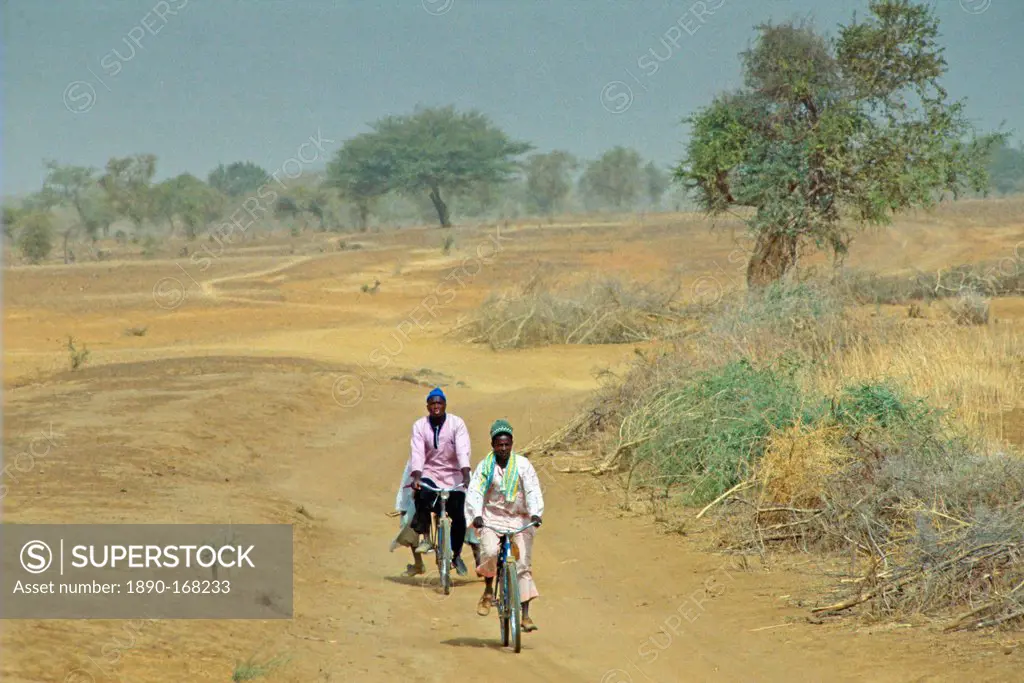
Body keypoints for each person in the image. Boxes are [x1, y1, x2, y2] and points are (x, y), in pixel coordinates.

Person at [466, 418, 544, 632]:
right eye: (499, 445)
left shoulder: (523, 465)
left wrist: (536, 514)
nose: (503, 448)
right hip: (492, 518)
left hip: (519, 519)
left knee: (522, 566)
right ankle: (489, 591)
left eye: (507, 444)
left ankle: (525, 615)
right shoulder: (485, 466)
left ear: (512, 444)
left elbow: (532, 490)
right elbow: (475, 491)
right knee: (490, 551)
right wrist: (476, 515)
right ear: (493, 445)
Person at [408, 387, 473, 576]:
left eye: (439, 403)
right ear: (427, 406)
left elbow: (462, 450)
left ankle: (456, 554)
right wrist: (417, 476)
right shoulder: (419, 426)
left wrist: (466, 474)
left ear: (445, 405)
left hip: (454, 473)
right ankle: (426, 537)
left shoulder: (456, 424)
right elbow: (418, 453)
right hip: (430, 471)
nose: (436, 406)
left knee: (460, 515)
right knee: (422, 494)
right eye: (432, 403)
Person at [389, 457, 426, 576]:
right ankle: (418, 563)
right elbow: (408, 480)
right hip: (422, 493)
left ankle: (479, 563)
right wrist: (404, 505)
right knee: (409, 522)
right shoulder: (417, 453)